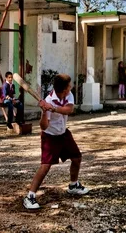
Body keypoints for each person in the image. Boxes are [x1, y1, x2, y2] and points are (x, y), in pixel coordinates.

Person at [23, 74, 89, 210]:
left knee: (76, 157)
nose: (71, 88)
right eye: (69, 86)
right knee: (45, 166)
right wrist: (44, 112)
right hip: (50, 136)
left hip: (63, 133)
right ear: (64, 89)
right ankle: (30, 196)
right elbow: (43, 126)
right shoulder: (49, 100)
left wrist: (52, 108)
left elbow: (69, 110)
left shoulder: (68, 95)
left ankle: (73, 185)